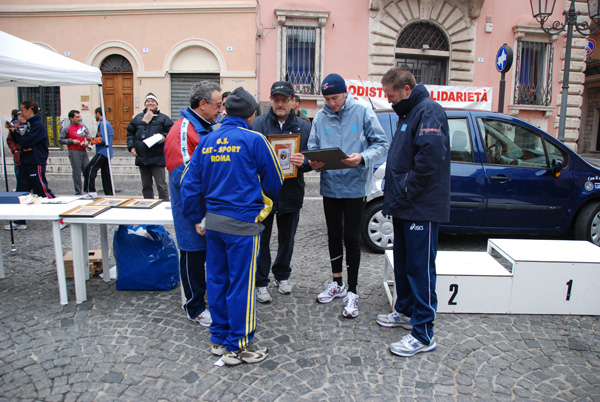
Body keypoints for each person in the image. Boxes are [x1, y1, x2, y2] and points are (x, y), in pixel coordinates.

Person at [180, 87, 283, 366]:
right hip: (242, 225)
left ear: (226, 111)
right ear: (251, 114)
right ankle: (237, 345)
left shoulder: (207, 140)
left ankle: (219, 338)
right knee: (242, 284)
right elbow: (275, 180)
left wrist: (198, 217)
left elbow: (188, 185)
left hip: (213, 224)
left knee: (216, 280)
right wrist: (261, 203)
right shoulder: (254, 139)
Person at [376, 67, 450, 357]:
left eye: (392, 96)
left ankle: (424, 333)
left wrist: (404, 186)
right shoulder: (409, 113)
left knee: (420, 270)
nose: (390, 101)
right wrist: (392, 184)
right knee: (405, 263)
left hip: (421, 207)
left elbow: (429, 158)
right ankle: (405, 311)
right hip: (405, 206)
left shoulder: (428, 111)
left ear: (406, 89)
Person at [307, 73, 388, 318]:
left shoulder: (363, 111)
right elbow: (313, 147)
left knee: (352, 237)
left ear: (345, 93)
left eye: (335, 98)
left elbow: (382, 143)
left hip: (355, 187)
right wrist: (315, 162)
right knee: (333, 235)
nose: (332, 103)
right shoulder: (320, 117)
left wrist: (362, 157)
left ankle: (352, 290)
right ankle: (337, 282)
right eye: (328, 99)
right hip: (330, 186)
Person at [164, 81, 223, 327]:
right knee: (192, 256)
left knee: (204, 255)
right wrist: (199, 215)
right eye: (218, 105)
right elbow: (184, 177)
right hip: (192, 210)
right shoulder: (183, 129)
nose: (221, 110)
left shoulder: (205, 127)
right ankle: (194, 307)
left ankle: (204, 299)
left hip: (206, 208)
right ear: (202, 105)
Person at [251, 81, 312, 303]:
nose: (279, 103)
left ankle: (282, 275)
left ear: (292, 102)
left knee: (288, 238)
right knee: (262, 238)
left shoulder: (304, 127)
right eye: (276, 99)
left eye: (284, 100)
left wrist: (304, 161)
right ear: (271, 100)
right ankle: (260, 282)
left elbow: (312, 159)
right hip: (264, 194)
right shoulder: (258, 124)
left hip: (291, 192)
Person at [126, 93, 174, 200]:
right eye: (148, 101)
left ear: (157, 104)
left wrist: (163, 136)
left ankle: (164, 204)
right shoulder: (138, 118)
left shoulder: (163, 118)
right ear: (144, 104)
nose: (150, 103)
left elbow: (172, 132)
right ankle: (148, 204)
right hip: (142, 156)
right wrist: (131, 147)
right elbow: (130, 133)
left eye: (153, 101)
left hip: (157, 156)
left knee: (161, 185)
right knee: (146, 186)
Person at [9, 101, 57, 201]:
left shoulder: (37, 125)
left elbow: (26, 142)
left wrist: (18, 134)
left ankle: (58, 210)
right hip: (25, 162)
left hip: (35, 163)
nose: (21, 114)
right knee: (21, 194)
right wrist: (14, 132)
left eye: (22, 110)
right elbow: (21, 141)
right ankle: (19, 216)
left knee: (42, 190)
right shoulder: (28, 125)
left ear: (29, 110)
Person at [82, 107, 114, 198]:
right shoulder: (106, 123)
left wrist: (91, 140)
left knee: (90, 168)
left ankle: (90, 191)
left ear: (97, 114)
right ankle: (109, 193)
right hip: (107, 152)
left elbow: (103, 139)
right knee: (105, 173)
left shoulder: (103, 124)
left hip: (103, 151)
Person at [4, 110, 27, 230]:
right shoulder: (15, 127)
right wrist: (15, 150)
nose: (22, 117)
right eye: (20, 115)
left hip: (32, 161)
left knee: (42, 190)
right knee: (21, 190)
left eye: (23, 114)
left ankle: (61, 218)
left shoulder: (32, 127)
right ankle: (20, 220)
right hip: (20, 160)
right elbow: (10, 140)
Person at [58, 110, 90, 195]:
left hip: (83, 150)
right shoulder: (67, 128)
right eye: (77, 117)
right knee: (77, 172)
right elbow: (60, 140)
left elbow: (88, 137)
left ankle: (88, 190)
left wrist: (87, 142)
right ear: (71, 118)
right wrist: (71, 141)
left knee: (87, 169)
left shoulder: (83, 126)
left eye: (80, 117)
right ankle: (78, 191)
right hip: (74, 151)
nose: (79, 118)